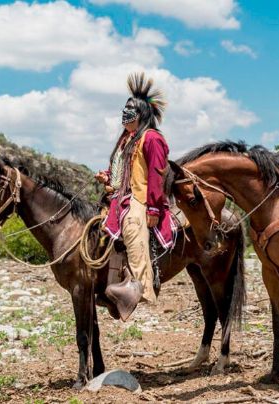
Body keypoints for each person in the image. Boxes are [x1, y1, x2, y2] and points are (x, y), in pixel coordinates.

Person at [95, 72, 175, 321]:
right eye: (124, 107)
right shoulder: (126, 138)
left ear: (140, 114)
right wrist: (107, 177)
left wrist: (153, 209)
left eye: (130, 109)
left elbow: (156, 175)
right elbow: (119, 168)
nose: (125, 112)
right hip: (119, 196)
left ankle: (140, 288)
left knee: (132, 226)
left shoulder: (151, 139)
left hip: (140, 199)